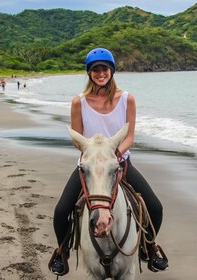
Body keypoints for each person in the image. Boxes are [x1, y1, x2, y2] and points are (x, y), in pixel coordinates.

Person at [49, 48, 169, 276]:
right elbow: (77, 138)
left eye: (104, 69)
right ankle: (61, 253)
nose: (100, 73)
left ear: (111, 71)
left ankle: (149, 248)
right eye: (95, 70)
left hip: (119, 163)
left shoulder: (127, 99)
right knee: (61, 210)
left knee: (155, 207)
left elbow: (130, 136)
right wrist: (93, 153)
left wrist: (115, 154)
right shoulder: (79, 102)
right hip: (90, 166)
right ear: (89, 73)